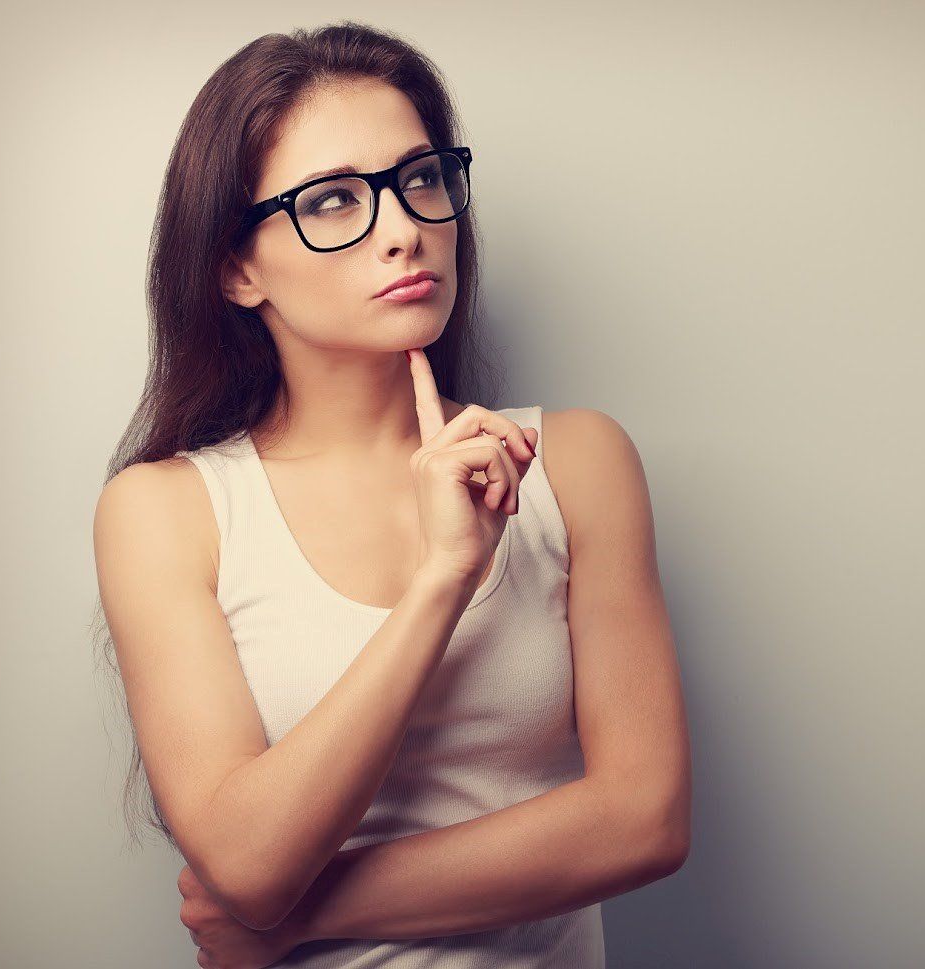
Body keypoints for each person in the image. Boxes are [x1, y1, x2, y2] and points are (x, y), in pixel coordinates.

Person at [91, 21, 690, 968]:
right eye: (332, 199)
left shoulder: (575, 463)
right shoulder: (166, 510)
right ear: (236, 268)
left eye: (421, 177)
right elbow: (246, 859)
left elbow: (644, 818)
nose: (405, 228)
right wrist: (443, 578)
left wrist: (300, 917)